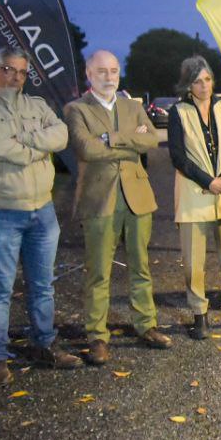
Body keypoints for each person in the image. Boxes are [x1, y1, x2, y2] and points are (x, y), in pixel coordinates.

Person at [0, 48, 81, 386]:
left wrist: (23, 141)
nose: (15, 77)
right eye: (7, 69)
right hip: (0, 212)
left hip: (41, 210)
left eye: (22, 72)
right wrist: (38, 146)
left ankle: (44, 344)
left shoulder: (37, 106)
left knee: (43, 285)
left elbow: (61, 136)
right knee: (0, 287)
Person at [65, 50, 169, 363]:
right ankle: (97, 336)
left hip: (138, 197)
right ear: (88, 73)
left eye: (113, 71)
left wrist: (109, 138)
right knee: (98, 271)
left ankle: (146, 325)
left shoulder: (133, 106)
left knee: (141, 266)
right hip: (100, 199)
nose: (109, 77)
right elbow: (86, 149)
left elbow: (151, 141)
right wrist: (126, 141)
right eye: (101, 71)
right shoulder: (76, 109)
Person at [167, 56, 221, 337]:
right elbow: (178, 156)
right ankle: (199, 316)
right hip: (194, 193)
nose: (203, 85)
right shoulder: (178, 112)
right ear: (188, 84)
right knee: (194, 260)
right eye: (197, 81)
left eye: (207, 79)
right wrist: (208, 181)